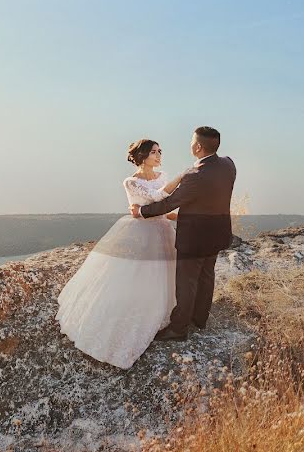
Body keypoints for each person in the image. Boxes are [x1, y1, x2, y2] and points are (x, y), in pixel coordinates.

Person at [54, 139, 186, 369]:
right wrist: (182, 177)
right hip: (140, 233)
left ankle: (161, 319)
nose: (159, 155)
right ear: (143, 155)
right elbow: (156, 197)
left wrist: (184, 217)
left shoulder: (163, 175)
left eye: (160, 151)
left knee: (162, 276)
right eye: (154, 152)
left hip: (162, 230)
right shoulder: (131, 182)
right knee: (133, 276)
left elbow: (166, 209)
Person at [130, 126, 236, 342]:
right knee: (207, 276)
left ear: (197, 146)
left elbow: (169, 203)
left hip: (194, 238)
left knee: (187, 282)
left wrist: (141, 211)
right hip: (217, 233)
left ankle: (178, 329)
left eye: (191, 140)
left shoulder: (194, 175)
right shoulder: (228, 164)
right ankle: (200, 319)